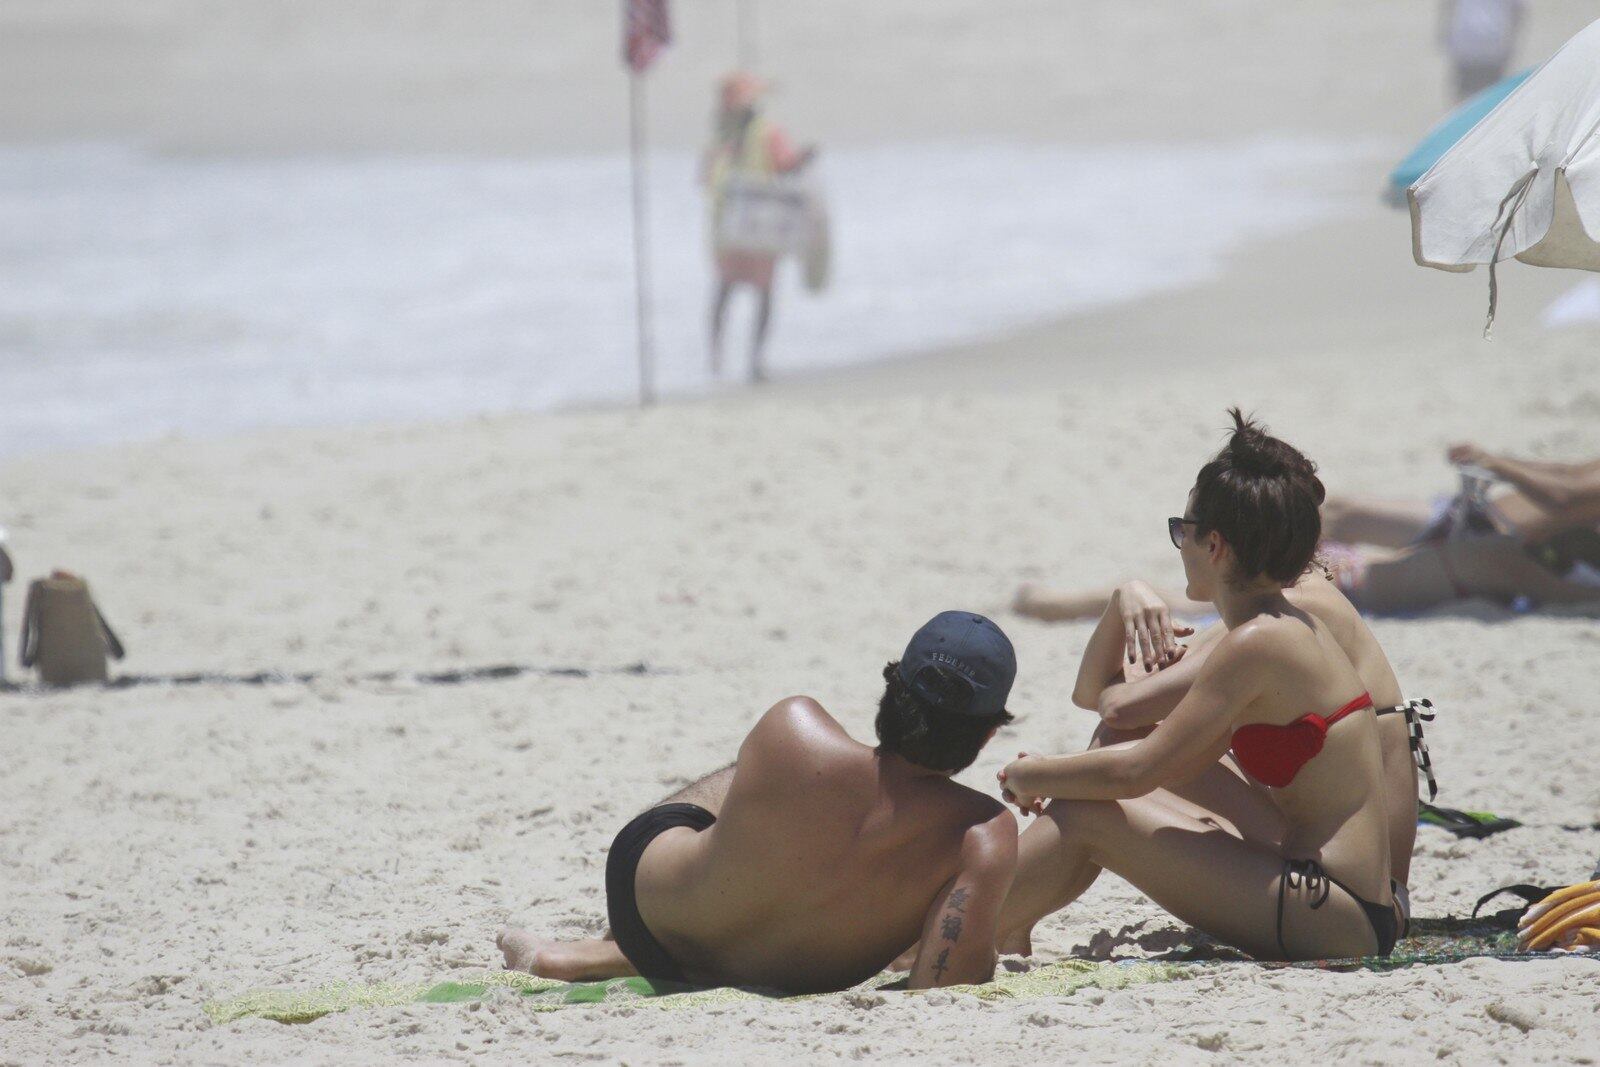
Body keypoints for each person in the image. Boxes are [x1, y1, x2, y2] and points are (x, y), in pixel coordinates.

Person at [994, 410, 1405, 962]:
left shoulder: (1259, 642)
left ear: (1214, 546)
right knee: (1088, 796)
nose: (1178, 544)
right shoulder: (1278, 626)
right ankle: (997, 925)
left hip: (1333, 910)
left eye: (1180, 530)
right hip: (1343, 901)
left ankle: (955, 929)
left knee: (1085, 813)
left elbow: (1138, 771)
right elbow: (1138, 741)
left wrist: (1028, 773)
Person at [498, 611, 1019, 993]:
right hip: (778, 978)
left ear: (891, 687)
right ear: (989, 734)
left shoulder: (793, 724)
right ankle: (613, 957)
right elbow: (941, 986)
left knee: (766, 777)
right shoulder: (985, 831)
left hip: (650, 910)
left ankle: (609, 949)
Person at [1318, 443, 1600, 614]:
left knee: (1353, 578)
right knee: (1337, 511)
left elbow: (1566, 496)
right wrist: (1494, 460)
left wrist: (1497, 464)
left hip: (1527, 562)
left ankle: (1282, 582)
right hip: (1476, 518)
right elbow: (1568, 473)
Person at [702, 71, 815, 383]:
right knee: (734, 293)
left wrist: (799, 162)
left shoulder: (751, 135)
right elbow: (709, 177)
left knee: (738, 293)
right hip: (742, 230)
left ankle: (742, 359)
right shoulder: (731, 138)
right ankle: (723, 360)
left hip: (755, 229)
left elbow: (785, 165)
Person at [1440, 0, 1525, 102]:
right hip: (1480, 48)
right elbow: (1518, 11)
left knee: (1478, 97)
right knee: (1488, 98)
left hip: (1479, 48)